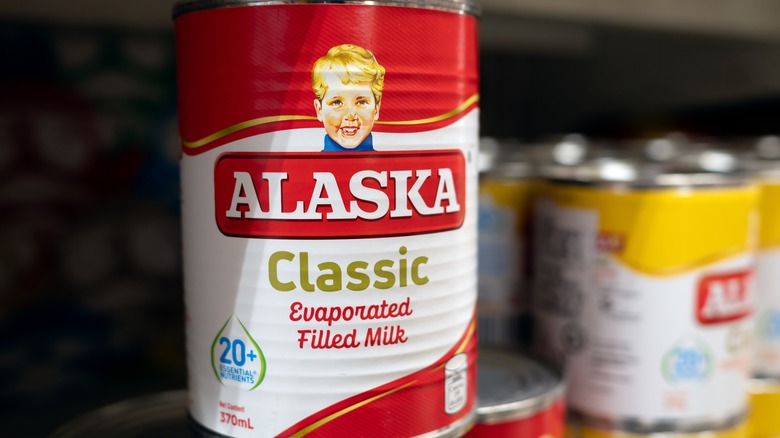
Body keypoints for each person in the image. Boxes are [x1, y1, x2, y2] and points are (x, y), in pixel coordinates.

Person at [312, 44, 385, 152]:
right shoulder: (309, 166)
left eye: (361, 102)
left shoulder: (391, 164)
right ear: (319, 110)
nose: (350, 115)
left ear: (377, 109)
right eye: (337, 102)